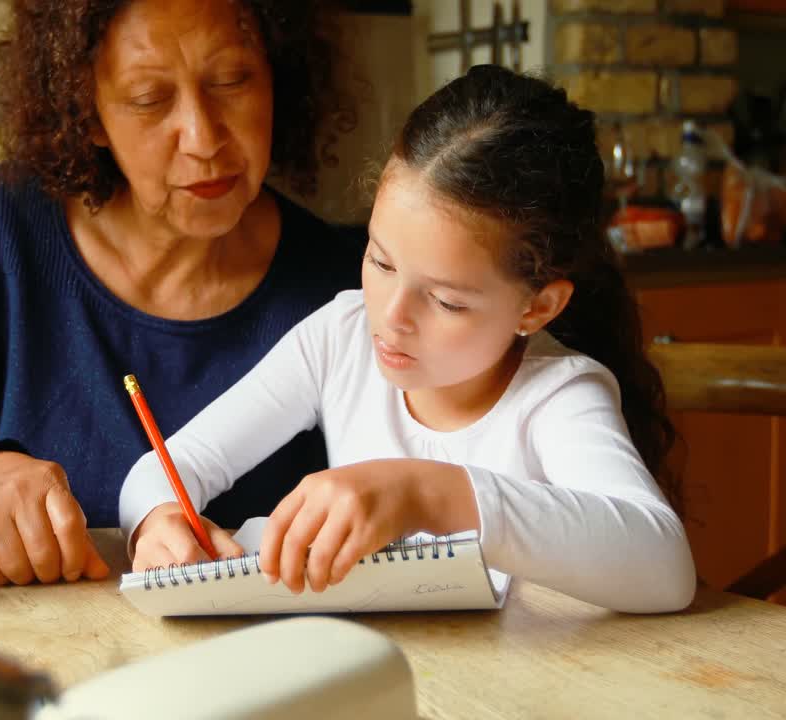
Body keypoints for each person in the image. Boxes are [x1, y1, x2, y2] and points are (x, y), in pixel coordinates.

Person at [0, 0, 363, 587]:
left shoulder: (351, 284)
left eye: (231, 81)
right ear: (88, 111)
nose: (203, 139)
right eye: (149, 99)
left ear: (277, 75)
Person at [120, 65, 697, 613]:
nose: (391, 317)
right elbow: (166, 467)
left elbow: (663, 566)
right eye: (380, 261)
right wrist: (160, 520)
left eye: (446, 301)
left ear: (537, 306)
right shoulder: (340, 338)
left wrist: (426, 494)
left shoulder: (556, 396)